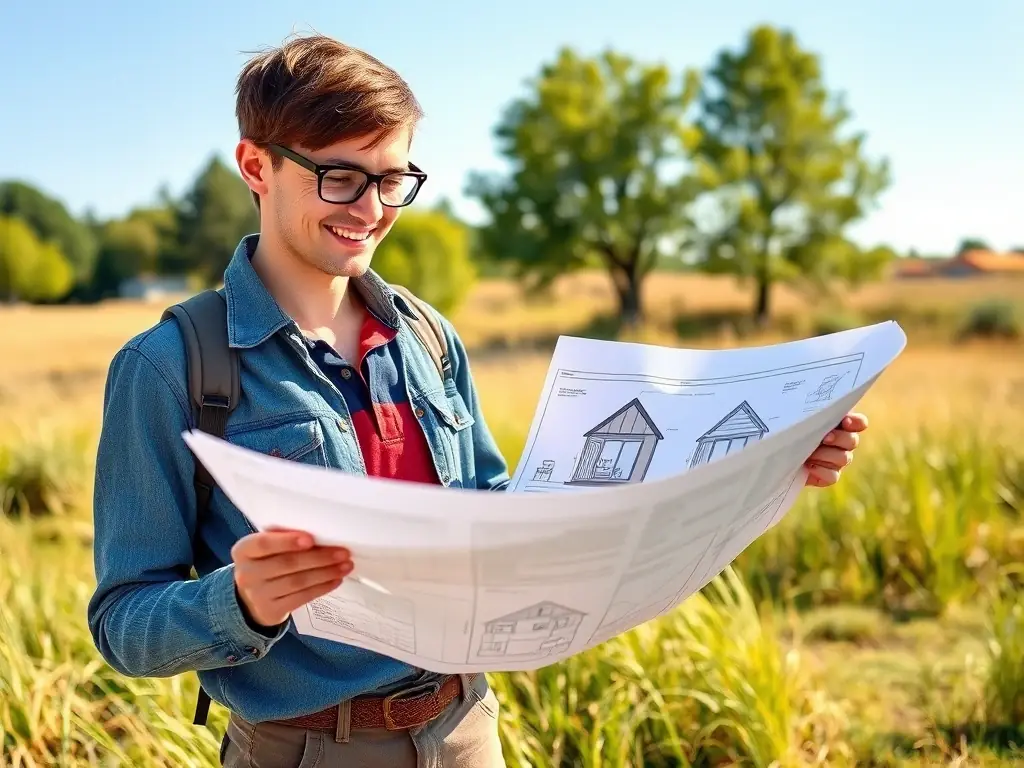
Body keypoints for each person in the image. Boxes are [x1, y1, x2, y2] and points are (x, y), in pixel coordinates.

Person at [86, 32, 868, 767]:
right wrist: (242, 601)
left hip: (467, 730)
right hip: (307, 751)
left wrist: (765, 462)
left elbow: (494, 510)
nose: (371, 208)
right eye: (339, 177)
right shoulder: (167, 369)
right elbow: (124, 624)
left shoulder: (428, 336)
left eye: (393, 179)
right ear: (256, 166)